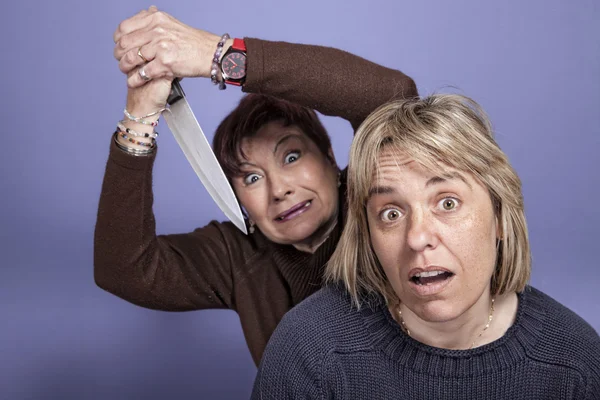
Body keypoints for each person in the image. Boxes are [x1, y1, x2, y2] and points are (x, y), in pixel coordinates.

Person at [94, 6, 417, 366]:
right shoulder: (239, 254)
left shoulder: (377, 203)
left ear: (329, 154)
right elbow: (124, 269)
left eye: (291, 157)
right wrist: (139, 117)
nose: (278, 189)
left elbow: (393, 97)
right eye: (251, 177)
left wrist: (217, 56)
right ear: (238, 200)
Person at [251, 94, 600, 399]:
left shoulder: (576, 363)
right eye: (390, 213)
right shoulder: (308, 347)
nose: (417, 237)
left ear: (499, 216)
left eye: (447, 203)